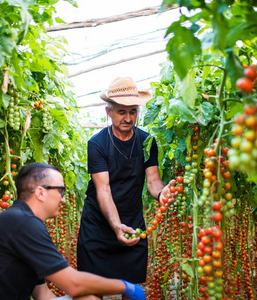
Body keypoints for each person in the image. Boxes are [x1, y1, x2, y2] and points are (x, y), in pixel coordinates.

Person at [0, 163, 146, 300]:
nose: (64, 199)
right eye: (60, 191)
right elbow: (73, 284)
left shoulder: (24, 221)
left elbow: (43, 295)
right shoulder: (22, 222)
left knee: (88, 297)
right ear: (41, 192)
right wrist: (126, 286)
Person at [77, 77, 174, 293]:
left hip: (132, 220)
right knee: (92, 287)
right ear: (108, 112)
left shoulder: (147, 141)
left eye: (133, 111)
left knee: (131, 286)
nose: (128, 118)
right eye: (121, 111)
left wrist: (162, 194)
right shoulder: (97, 144)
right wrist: (115, 225)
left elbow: (153, 181)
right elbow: (103, 190)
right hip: (99, 224)